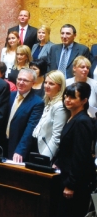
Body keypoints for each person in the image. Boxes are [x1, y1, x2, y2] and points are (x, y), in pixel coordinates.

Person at [55, 82, 96, 217]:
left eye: (72, 97)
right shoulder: (73, 118)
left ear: (84, 100)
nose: (67, 100)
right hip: (66, 175)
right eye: (66, 96)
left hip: (76, 183)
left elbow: (80, 156)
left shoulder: (82, 121)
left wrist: (71, 184)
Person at [5, 68, 43, 162]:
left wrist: (20, 150)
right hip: (2, 143)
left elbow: (30, 128)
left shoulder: (37, 102)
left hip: (18, 148)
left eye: (25, 80)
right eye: (19, 79)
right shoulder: (9, 95)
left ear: (33, 83)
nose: (21, 82)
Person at [32, 70, 68, 160]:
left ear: (60, 87)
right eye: (45, 82)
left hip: (47, 153)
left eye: (51, 84)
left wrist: (44, 158)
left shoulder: (59, 107)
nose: (47, 86)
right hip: (38, 147)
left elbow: (56, 137)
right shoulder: (49, 102)